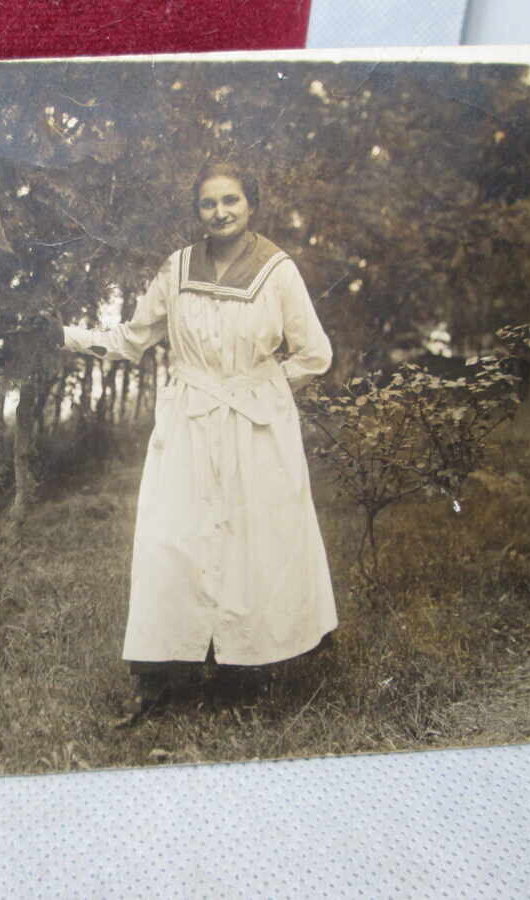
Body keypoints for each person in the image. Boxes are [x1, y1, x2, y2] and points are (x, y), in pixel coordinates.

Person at [38, 162, 337, 718]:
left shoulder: (278, 272)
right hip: (189, 421)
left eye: (232, 200)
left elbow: (315, 354)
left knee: (252, 543)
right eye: (208, 203)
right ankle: (162, 676)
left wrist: (263, 389)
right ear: (196, 210)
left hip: (255, 426)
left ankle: (245, 674)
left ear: (252, 204)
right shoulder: (176, 270)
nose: (220, 212)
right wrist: (61, 335)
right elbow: (132, 340)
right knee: (172, 540)